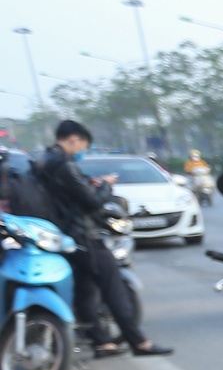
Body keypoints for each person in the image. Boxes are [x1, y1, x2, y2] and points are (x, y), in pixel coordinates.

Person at [33, 120, 170, 356]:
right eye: (83, 145)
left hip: (63, 237)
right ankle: (139, 342)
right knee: (113, 289)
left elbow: (69, 195)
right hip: (85, 235)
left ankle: (102, 342)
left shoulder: (44, 161)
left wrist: (90, 183)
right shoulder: (65, 165)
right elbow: (92, 202)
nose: (81, 151)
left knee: (85, 289)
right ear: (74, 139)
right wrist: (105, 186)